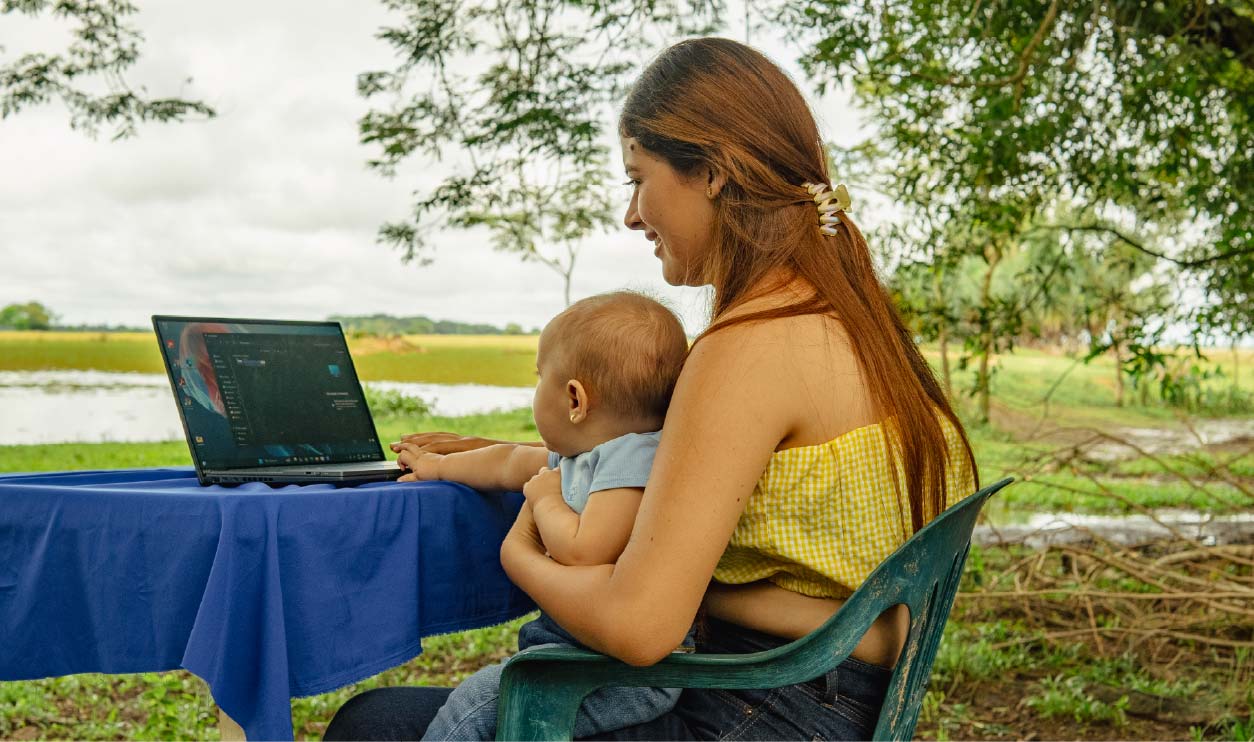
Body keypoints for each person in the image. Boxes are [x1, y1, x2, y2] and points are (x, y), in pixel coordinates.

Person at [325, 36, 978, 741]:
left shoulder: (747, 347)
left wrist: (518, 553)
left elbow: (638, 628)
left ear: (714, 173)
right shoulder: (853, 322)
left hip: (760, 706)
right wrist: (523, 455)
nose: (632, 214)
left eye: (638, 177)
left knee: (372, 727)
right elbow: (737, 509)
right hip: (829, 700)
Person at [398, 291, 692, 740]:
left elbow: (583, 549)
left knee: (476, 704)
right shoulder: (580, 454)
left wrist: (545, 500)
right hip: (578, 654)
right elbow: (506, 462)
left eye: (539, 377)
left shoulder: (635, 461)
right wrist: (434, 467)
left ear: (575, 399)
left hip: (627, 678)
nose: (536, 389)